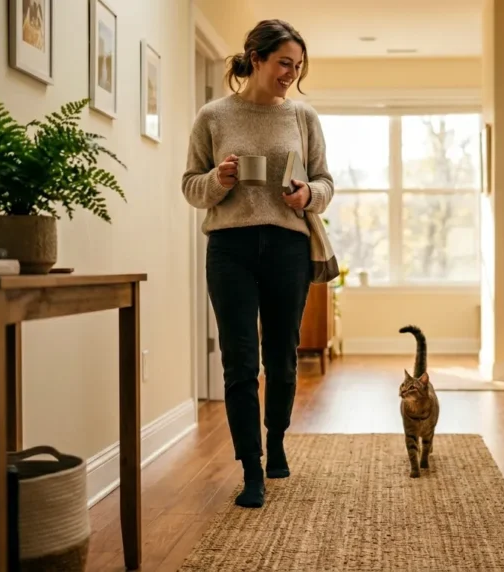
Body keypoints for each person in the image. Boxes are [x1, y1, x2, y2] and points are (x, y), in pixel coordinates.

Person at [181, 19, 334, 508]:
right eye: (284, 63)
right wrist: (219, 180)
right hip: (230, 249)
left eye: (298, 65)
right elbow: (190, 185)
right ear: (256, 57)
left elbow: (326, 184)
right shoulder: (213, 116)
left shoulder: (303, 118)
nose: (291, 73)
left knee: (282, 360)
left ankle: (277, 442)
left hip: (288, 247)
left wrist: (307, 193)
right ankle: (250, 468)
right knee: (239, 361)